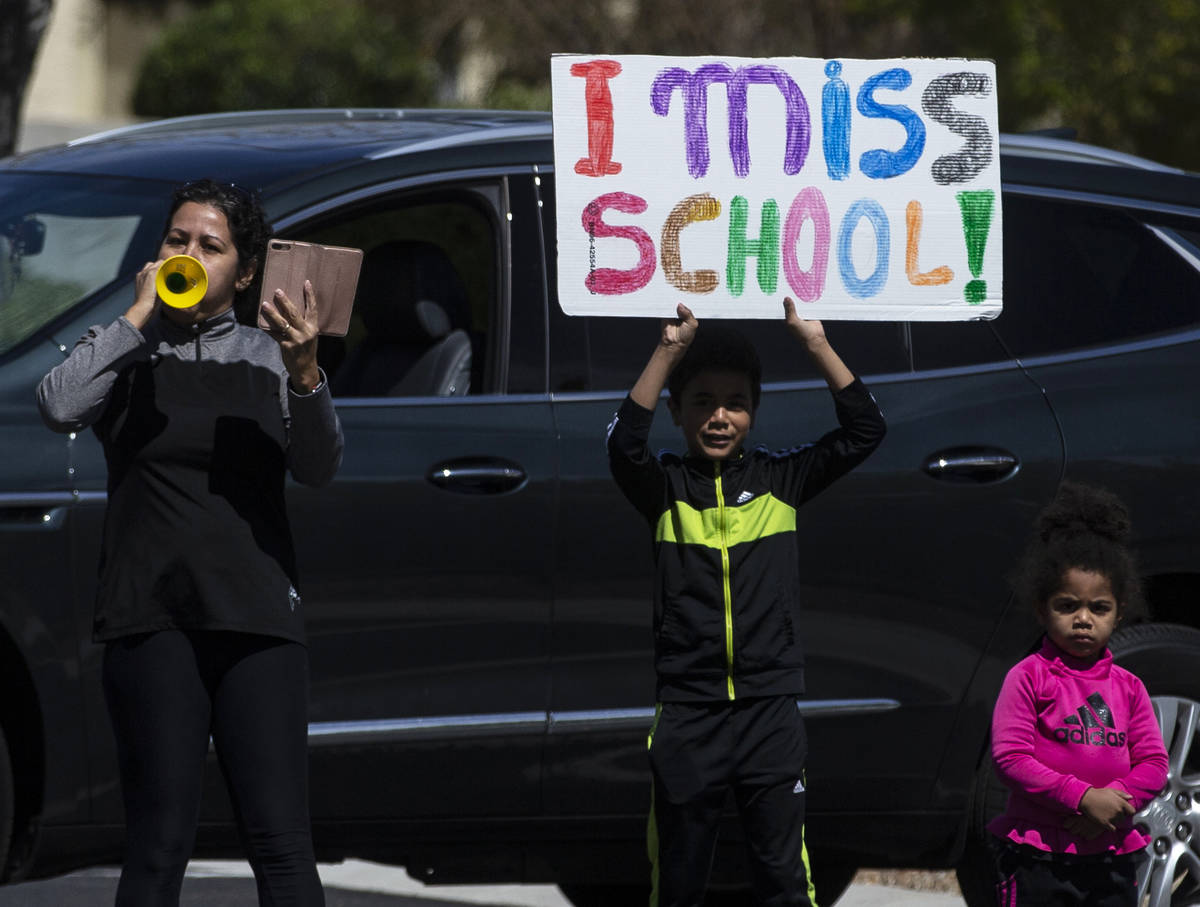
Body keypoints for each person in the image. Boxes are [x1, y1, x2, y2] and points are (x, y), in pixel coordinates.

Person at [37, 179, 342, 906]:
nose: (191, 254)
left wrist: (307, 374)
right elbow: (57, 403)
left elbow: (320, 465)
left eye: (211, 245)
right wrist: (137, 319)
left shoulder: (270, 357)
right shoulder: (128, 347)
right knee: (158, 845)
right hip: (152, 618)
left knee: (280, 842)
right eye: (178, 240)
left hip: (257, 620)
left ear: (244, 271)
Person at [606, 298, 886, 907]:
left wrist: (815, 343)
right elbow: (623, 445)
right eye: (702, 401)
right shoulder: (665, 490)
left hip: (770, 714)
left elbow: (867, 430)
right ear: (677, 412)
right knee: (678, 884)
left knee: (784, 882)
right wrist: (668, 350)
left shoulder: (781, 481)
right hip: (688, 715)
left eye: (735, 402)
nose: (719, 416)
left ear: (755, 411)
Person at [988, 483, 1169, 907]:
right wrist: (1082, 799)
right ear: (1042, 608)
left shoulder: (1129, 686)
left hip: (1109, 853)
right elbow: (1010, 758)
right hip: (1038, 855)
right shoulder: (1028, 676)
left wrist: (1113, 805)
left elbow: (1154, 763)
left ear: (1119, 610)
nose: (1083, 620)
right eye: (1068, 606)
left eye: (1098, 608)